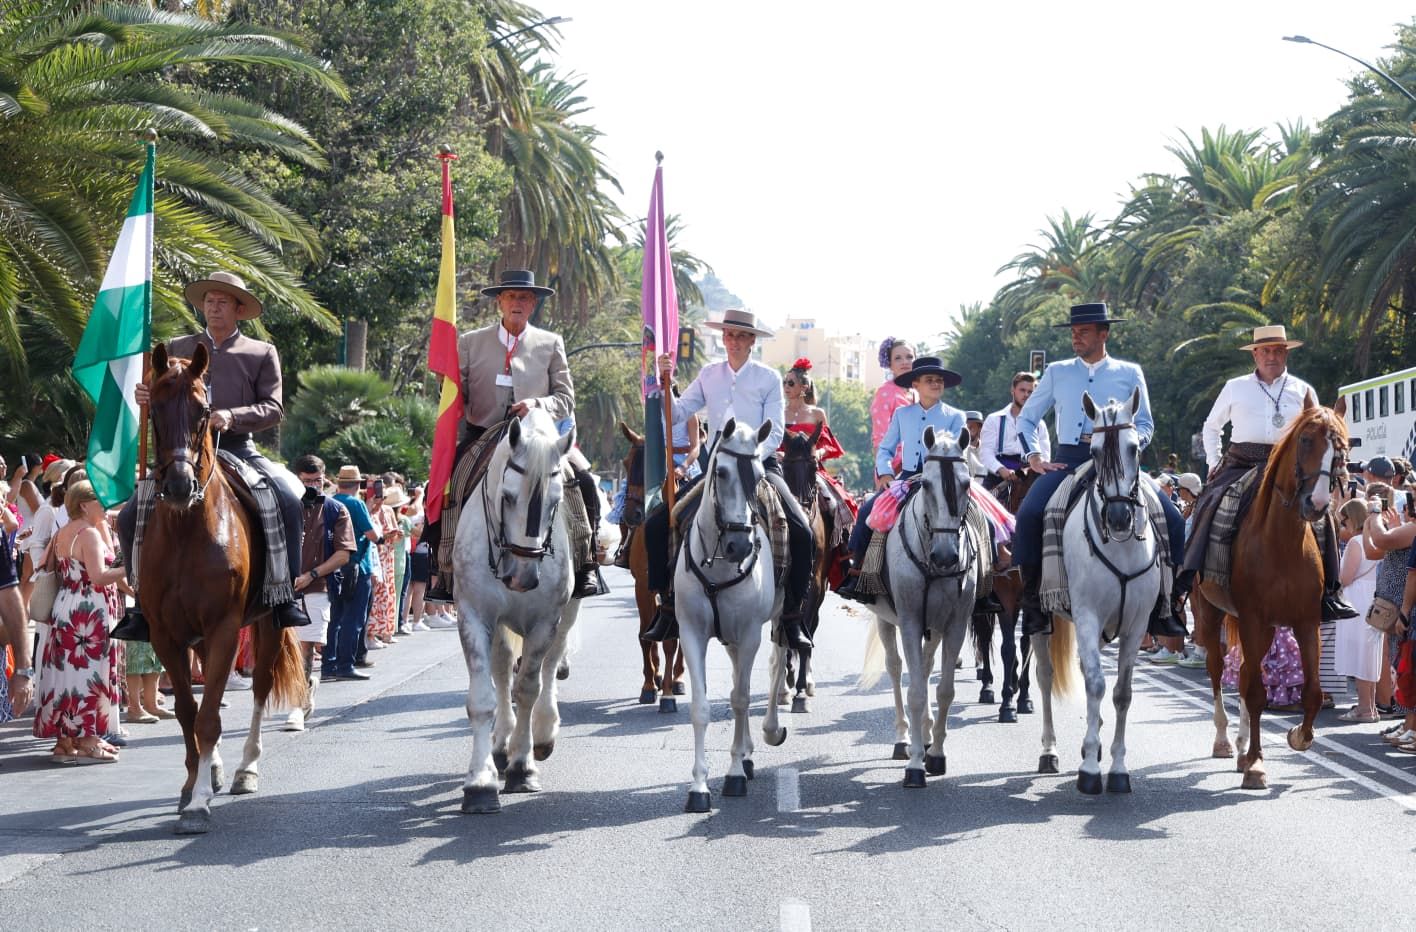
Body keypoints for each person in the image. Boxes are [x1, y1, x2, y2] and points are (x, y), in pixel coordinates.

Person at [120, 271, 310, 634]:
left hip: (238, 448)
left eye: (223, 302)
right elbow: (156, 393)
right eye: (209, 301)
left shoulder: (260, 352)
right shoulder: (176, 347)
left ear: (239, 310)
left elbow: (273, 408)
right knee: (131, 513)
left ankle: (284, 595)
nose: (214, 307)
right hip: (183, 453)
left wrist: (232, 416)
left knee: (286, 499)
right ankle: (140, 603)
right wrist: (145, 395)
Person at [640, 308, 815, 650]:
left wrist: (750, 460)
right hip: (716, 472)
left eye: (741, 335)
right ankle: (668, 606)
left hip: (758, 466)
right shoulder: (709, 374)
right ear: (723, 338)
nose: (733, 340)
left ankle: (792, 617)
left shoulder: (767, 378)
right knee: (658, 522)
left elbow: (775, 429)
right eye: (729, 334)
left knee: (802, 530)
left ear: (752, 341)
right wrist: (666, 383)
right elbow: (677, 413)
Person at [1012, 302, 1188, 638]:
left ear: (1103, 334)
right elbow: (1028, 419)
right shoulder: (1056, 372)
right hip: (1070, 460)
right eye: (1074, 332)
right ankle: (1035, 603)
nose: (1076, 337)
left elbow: (1146, 422)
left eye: (1084, 332)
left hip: (1120, 461)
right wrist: (1034, 456)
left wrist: (1131, 443)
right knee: (1031, 514)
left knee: (1173, 519)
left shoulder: (1129, 372)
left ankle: (1168, 603)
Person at [424, 269, 600, 603]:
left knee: (583, 480)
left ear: (532, 304)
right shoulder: (471, 342)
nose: (517, 303)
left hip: (538, 436)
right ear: (499, 303)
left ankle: (586, 559)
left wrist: (536, 403)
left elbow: (566, 399)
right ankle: (444, 567)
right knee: (446, 483)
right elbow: (455, 392)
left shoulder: (550, 343)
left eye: (524, 298)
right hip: (483, 434)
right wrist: (444, 381)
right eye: (511, 297)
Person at [1178, 324, 1355, 621]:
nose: (1271, 356)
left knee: (1325, 518)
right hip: (1241, 461)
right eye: (1265, 351)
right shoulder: (1235, 386)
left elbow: (1318, 434)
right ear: (1255, 355)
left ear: (1285, 354)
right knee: (1210, 503)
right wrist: (1214, 462)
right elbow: (1212, 427)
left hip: (1289, 467)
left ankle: (1331, 592)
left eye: (1277, 350)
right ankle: (1191, 575)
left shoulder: (1303, 390)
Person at [838, 356, 968, 603]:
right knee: (869, 510)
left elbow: (957, 452)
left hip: (945, 479)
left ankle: (986, 580)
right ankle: (859, 571)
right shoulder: (902, 414)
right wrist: (885, 472)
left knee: (983, 516)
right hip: (908, 477)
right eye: (929, 380)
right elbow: (886, 449)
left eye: (939, 380)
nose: (936, 384)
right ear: (915, 384)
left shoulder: (956, 416)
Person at [32, 481, 130, 763]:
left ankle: (65, 743)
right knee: (89, 675)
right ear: (85, 505)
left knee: (65, 675)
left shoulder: (64, 531)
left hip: (66, 606)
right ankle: (88, 739)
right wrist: (131, 567)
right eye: (100, 500)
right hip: (88, 611)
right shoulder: (88, 534)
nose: (106, 504)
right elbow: (99, 576)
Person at [291, 455, 357, 729]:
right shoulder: (285, 506)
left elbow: (343, 554)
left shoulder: (336, 509)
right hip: (284, 589)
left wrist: (311, 575)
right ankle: (304, 689)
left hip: (318, 586)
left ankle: (297, 704)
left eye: (317, 480)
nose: (312, 486)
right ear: (297, 479)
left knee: (305, 645)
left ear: (324, 478)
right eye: (306, 481)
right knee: (287, 649)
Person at [325, 465, 378, 682]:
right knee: (353, 618)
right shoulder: (356, 503)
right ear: (357, 485)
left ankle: (330, 664)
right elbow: (372, 535)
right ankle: (346, 664)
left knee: (335, 617)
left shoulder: (329, 502)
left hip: (333, 566)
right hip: (357, 566)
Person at [979, 372, 1052, 494]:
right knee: (980, 508)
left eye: (1030, 392)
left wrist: (1030, 470)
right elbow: (986, 452)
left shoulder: (1039, 424)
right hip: (997, 476)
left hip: (1029, 476)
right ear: (1013, 390)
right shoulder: (994, 419)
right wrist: (1001, 469)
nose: (1026, 395)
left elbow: (1045, 456)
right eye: (1022, 390)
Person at [870, 338, 916, 476]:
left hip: (925, 465)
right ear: (889, 364)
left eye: (909, 357)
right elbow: (880, 439)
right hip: (895, 470)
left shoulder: (920, 393)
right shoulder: (885, 393)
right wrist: (886, 473)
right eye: (898, 358)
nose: (905, 362)